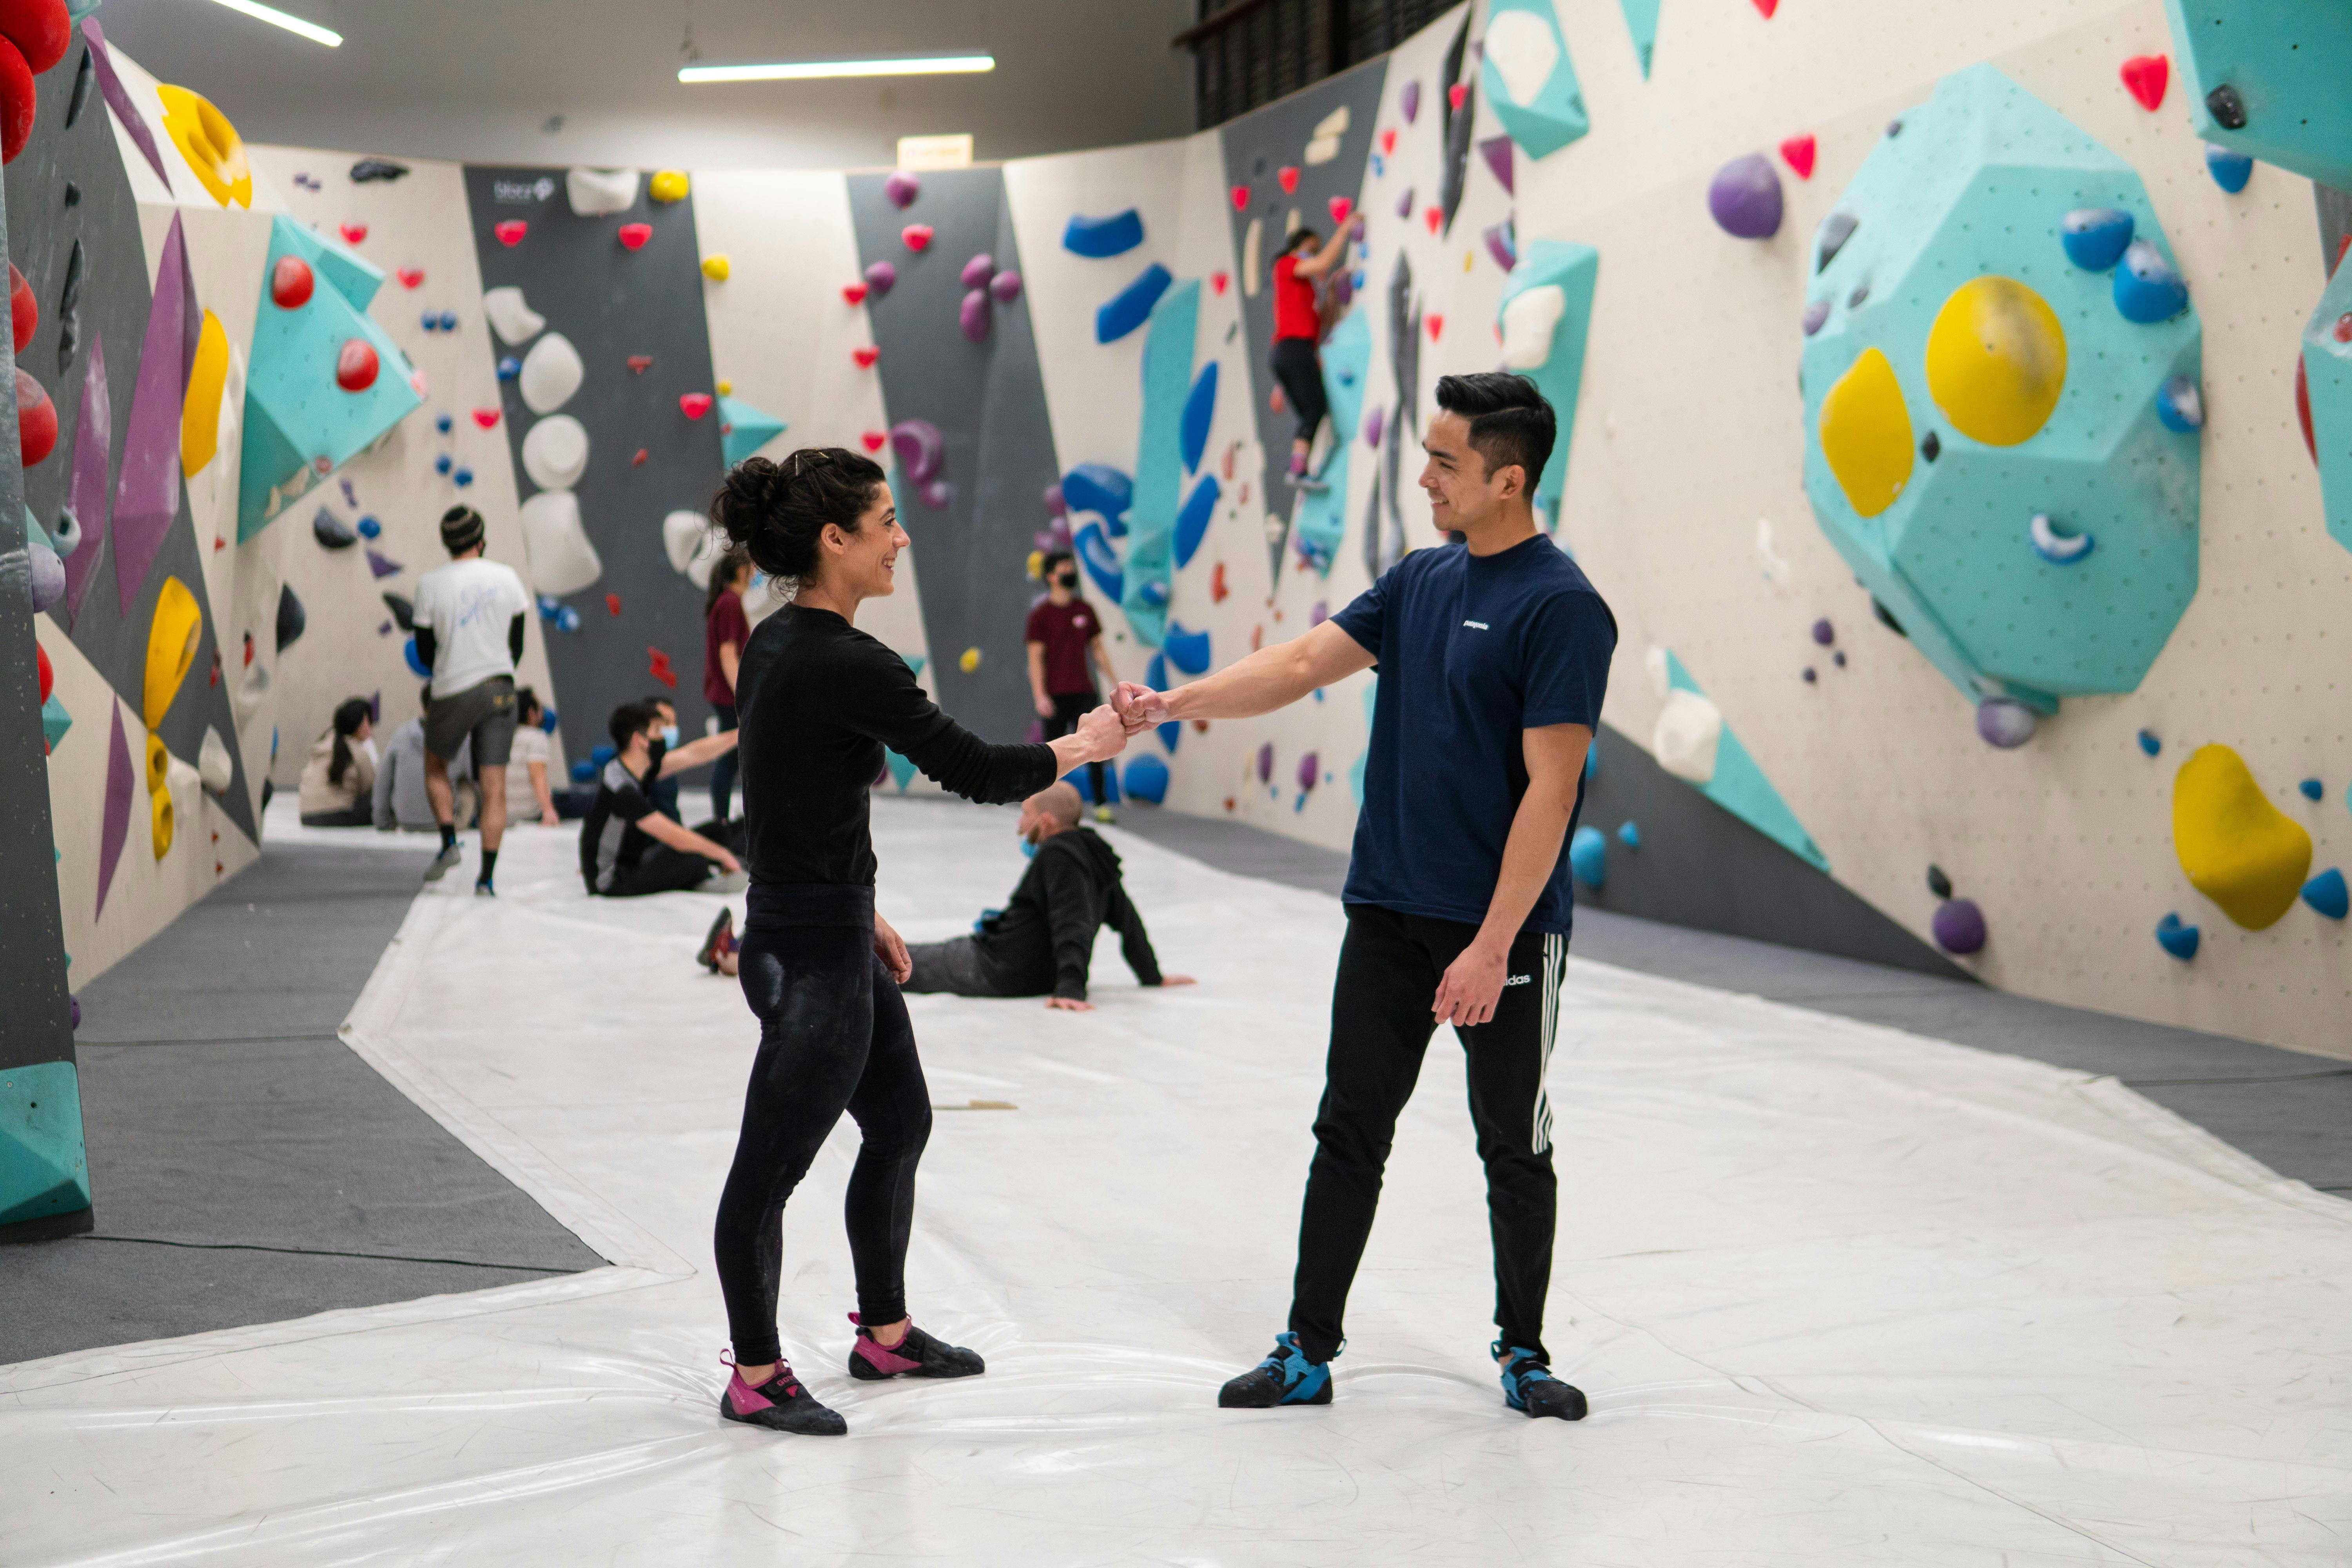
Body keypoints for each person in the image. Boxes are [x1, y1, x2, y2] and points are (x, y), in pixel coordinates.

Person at [1112, 372, 1616, 1423]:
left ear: (1509, 480)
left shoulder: (1563, 607)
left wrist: (1491, 946)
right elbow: (1303, 662)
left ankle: (1524, 1350)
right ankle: (1307, 1349)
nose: (1423, 477)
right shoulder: (1421, 579)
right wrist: (1171, 704)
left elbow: (1553, 789)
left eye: (1445, 462)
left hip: (1502, 934)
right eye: (1425, 454)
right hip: (1388, 908)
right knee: (1349, 1129)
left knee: (1513, 1145)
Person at [706, 447, 1129, 1437]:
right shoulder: (850, 661)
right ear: (834, 539)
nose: (902, 537)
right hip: (813, 955)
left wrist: (861, 909)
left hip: (814, 929)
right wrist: (1085, 745)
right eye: (886, 521)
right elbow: (975, 768)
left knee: (899, 1123)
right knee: (766, 1175)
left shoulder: (778, 642)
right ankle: (756, 1374)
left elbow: (788, 794)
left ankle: (885, 1333)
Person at [902, 782, 1193, 1009]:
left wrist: (1071, 988)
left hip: (998, 968)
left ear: (1046, 823)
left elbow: (1072, 921)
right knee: (904, 955)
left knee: (898, 961)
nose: (1020, 824)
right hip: (1017, 966)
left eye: (1026, 814)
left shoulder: (1059, 856)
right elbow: (1128, 920)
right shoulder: (1093, 854)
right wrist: (1151, 976)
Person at [413, 505, 532, 895]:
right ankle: (487, 878)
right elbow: (517, 645)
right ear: (482, 540)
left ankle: (449, 842)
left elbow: (425, 652)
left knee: (436, 767)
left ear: (447, 543)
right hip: (500, 686)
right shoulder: (507, 577)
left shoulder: (429, 584)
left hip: (453, 689)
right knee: (494, 784)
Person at [579, 701, 742, 897]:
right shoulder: (621, 789)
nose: (662, 737)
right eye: (657, 731)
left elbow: (693, 754)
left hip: (636, 860)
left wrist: (741, 734)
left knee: (717, 832)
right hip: (611, 880)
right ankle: (705, 877)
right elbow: (674, 836)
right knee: (694, 857)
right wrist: (722, 855)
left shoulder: (637, 769)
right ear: (640, 740)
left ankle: (711, 870)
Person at [1024, 550, 1118, 822]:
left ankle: (1101, 804)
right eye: (1064, 568)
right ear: (1052, 577)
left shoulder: (1084, 610)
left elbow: (1098, 650)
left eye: (1071, 567)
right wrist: (1040, 696)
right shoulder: (1040, 616)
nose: (1070, 573)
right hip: (1055, 695)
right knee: (1053, 754)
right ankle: (1047, 807)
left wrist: (1116, 682)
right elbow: (1035, 659)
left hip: (1084, 692)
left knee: (1097, 745)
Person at [1269, 224, 1353, 486]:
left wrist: (1332, 290)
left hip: (1290, 353)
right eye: (1311, 249)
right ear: (1296, 247)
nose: (1315, 254)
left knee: (1312, 413)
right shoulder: (1285, 265)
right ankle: (1298, 471)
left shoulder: (1304, 294)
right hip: (1293, 350)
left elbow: (1325, 319)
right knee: (1314, 410)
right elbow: (1323, 263)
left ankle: (1298, 469)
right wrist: (1345, 229)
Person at [375, 685, 473, 833]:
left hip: (406, 822)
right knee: (467, 785)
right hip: (446, 823)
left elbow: (382, 783)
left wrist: (383, 822)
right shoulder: (461, 738)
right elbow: (478, 781)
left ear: (424, 706)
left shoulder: (401, 734)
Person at [704, 546, 754, 826]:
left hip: (724, 695)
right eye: (752, 567)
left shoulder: (727, 602)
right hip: (728, 697)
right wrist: (742, 695)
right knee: (730, 758)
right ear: (741, 570)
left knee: (732, 758)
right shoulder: (730, 603)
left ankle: (723, 819)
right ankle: (721, 821)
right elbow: (728, 654)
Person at [297, 697, 377, 827]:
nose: (371, 731)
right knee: (381, 795)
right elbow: (370, 786)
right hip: (338, 816)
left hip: (307, 816)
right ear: (359, 725)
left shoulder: (323, 743)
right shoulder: (357, 750)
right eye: (369, 723)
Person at [505, 687, 560, 825]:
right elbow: (537, 774)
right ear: (531, 712)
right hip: (532, 813)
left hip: (505, 814)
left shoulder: (501, 739)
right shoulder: (537, 737)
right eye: (540, 708)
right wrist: (548, 810)